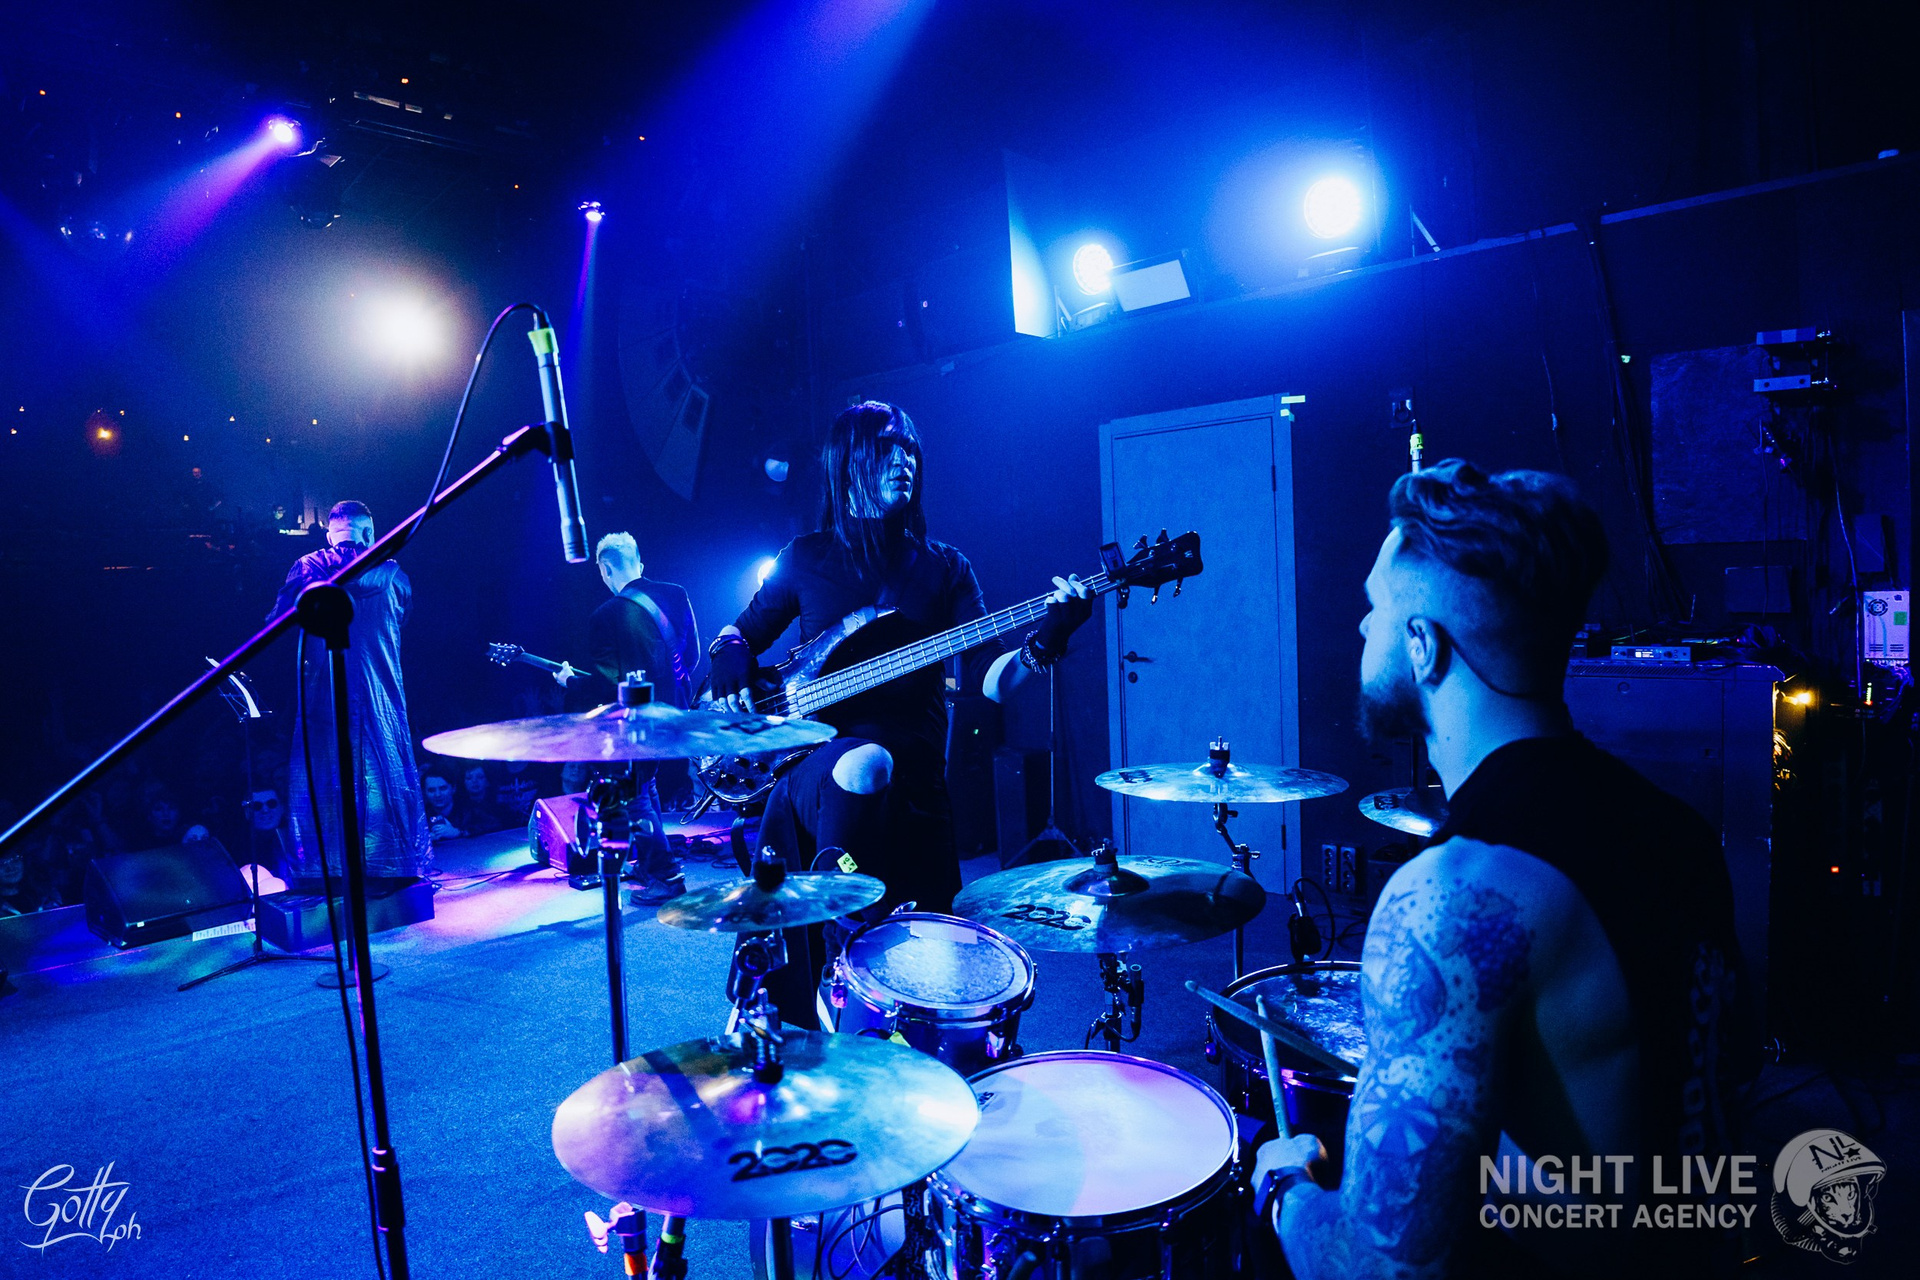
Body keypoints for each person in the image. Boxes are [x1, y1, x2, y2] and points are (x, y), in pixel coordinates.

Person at [1254, 460, 1746, 1277]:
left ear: (1423, 647)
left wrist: (1285, 1190)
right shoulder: (1681, 832)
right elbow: (1677, 1117)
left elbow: (1375, 1269)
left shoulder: (1456, 896)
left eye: (1375, 609)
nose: (1362, 627)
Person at [710, 401, 1091, 1026]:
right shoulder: (805, 557)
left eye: (911, 449)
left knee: (940, 989)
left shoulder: (944, 567)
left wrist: (1047, 639)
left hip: (917, 785)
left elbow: (992, 681)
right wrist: (728, 655)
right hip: (818, 770)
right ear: (849, 460)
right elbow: (738, 632)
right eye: (888, 447)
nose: (905, 460)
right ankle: (839, 968)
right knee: (865, 761)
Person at [270, 501, 432, 889]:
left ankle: (322, 873)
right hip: (380, 695)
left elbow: (276, 622)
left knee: (324, 780)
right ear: (370, 534)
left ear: (330, 536)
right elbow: (403, 621)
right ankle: (393, 869)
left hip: (324, 700)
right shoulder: (393, 574)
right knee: (385, 777)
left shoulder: (306, 568)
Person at [556, 531, 705, 903]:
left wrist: (570, 682)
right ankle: (652, 864)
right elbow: (691, 658)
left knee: (632, 792)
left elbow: (608, 687)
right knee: (645, 781)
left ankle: (666, 877)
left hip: (637, 721)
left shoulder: (606, 615)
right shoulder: (676, 593)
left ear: (605, 569)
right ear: (638, 561)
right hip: (676, 711)